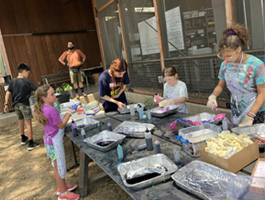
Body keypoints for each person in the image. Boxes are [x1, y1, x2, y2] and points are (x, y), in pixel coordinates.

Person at [207, 24, 265, 127]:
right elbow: (221, 85)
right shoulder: (225, 65)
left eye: (229, 56)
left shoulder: (256, 65)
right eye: (222, 56)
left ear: (238, 49)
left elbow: (262, 93)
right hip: (237, 109)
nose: (226, 59)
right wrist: (213, 96)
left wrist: (251, 115)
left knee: (254, 140)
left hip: (256, 111)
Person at [33, 85, 79, 200]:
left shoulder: (44, 107)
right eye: (52, 94)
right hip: (55, 142)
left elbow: (54, 121)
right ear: (44, 98)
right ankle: (63, 194)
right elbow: (61, 125)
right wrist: (69, 113)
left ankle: (62, 186)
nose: (55, 96)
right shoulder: (52, 109)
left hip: (49, 140)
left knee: (56, 166)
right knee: (60, 167)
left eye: (54, 93)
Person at [4, 63, 39, 151]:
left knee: (20, 121)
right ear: (24, 71)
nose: (28, 74)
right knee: (28, 123)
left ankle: (23, 138)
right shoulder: (27, 82)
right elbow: (37, 91)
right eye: (28, 72)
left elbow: (7, 93)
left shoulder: (12, 81)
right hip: (24, 104)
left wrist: (6, 104)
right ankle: (31, 143)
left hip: (16, 105)